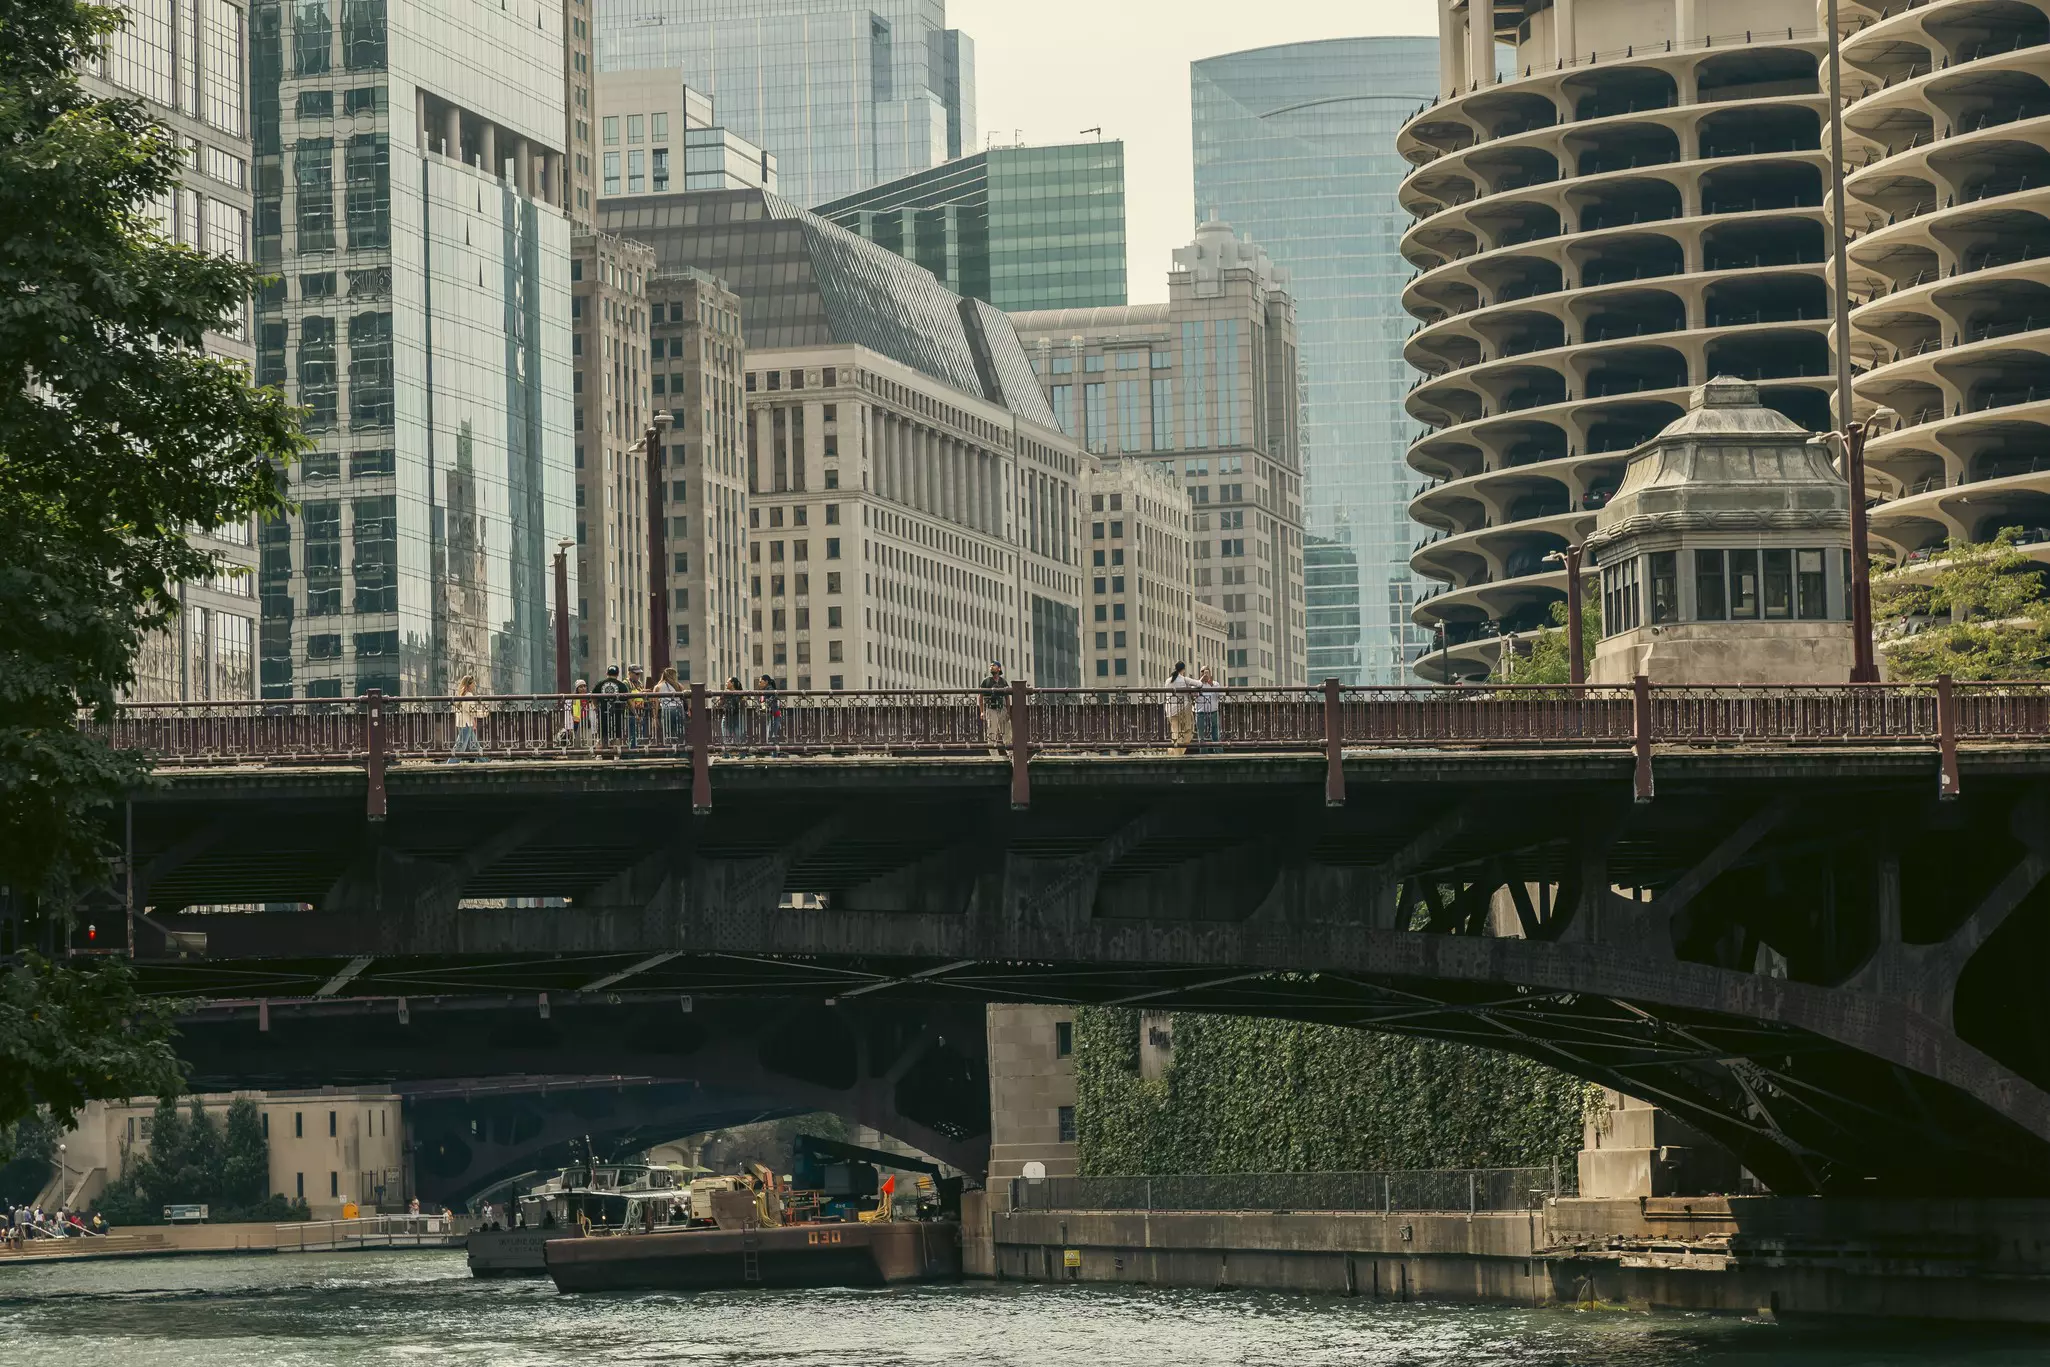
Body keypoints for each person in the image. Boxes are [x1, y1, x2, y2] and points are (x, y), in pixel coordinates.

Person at [978, 660, 1011, 754]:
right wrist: (982, 711)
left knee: (1007, 732)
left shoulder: (1003, 681)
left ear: (999, 668)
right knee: (992, 733)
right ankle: (994, 756)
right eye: (991, 665)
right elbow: (980, 696)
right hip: (991, 708)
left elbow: (1007, 697)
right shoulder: (986, 681)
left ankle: (1011, 754)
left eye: (994, 665)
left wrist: (1008, 711)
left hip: (1002, 708)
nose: (991, 667)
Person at [1164, 662, 1197, 754]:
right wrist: (1191, 689)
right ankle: (1179, 752)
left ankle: (1174, 752)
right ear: (1183, 669)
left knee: (1175, 733)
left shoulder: (1168, 681)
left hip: (1170, 710)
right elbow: (1199, 684)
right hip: (1183, 709)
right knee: (1189, 730)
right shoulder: (1184, 679)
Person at [594, 666, 630, 747]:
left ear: (606, 673)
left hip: (603, 712)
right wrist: (635, 713)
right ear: (617, 674)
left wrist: (596, 706)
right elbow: (628, 700)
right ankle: (615, 752)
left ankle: (604, 751)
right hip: (617, 713)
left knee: (603, 734)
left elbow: (593, 697)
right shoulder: (621, 685)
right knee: (617, 734)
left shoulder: (600, 684)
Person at [451, 674, 483, 759]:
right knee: (460, 748)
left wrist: (473, 721)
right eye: (473, 683)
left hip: (463, 723)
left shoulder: (462, 695)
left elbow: (467, 711)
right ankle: (451, 765)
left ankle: (484, 761)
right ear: (469, 685)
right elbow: (472, 711)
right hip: (466, 724)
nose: (474, 685)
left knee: (475, 747)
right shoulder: (468, 695)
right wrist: (484, 713)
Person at [655, 666, 685, 745]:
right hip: (678, 709)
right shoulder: (679, 686)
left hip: (666, 709)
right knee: (679, 730)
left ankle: (669, 748)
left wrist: (655, 717)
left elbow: (656, 703)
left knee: (667, 730)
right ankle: (680, 747)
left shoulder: (658, 686)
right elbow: (685, 698)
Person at [1193, 666, 1222, 750]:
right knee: (1201, 736)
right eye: (1202, 672)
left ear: (1210, 673)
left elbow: (1220, 695)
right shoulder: (1196, 684)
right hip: (1200, 712)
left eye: (1206, 672)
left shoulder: (1215, 684)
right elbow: (1193, 694)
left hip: (1213, 712)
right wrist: (1200, 682)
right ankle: (1203, 755)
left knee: (1215, 735)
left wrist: (1211, 684)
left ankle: (1218, 753)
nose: (1205, 674)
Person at [559, 678, 591, 747]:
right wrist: (568, 726)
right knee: (574, 739)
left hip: (586, 721)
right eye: (580, 687)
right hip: (575, 722)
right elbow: (568, 713)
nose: (583, 688)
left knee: (586, 739)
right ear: (577, 688)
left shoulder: (589, 697)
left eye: (584, 686)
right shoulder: (571, 698)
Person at [756, 673, 783, 749]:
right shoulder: (764, 690)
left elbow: (773, 697)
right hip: (770, 715)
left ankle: (774, 754)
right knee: (771, 736)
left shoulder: (769, 689)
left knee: (772, 736)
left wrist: (767, 703)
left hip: (773, 715)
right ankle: (773, 753)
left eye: (760, 682)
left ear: (766, 682)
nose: (759, 684)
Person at [625, 665, 649, 748]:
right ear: (630, 673)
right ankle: (631, 751)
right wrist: (635, 714)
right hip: (630, 712)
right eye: (636, 673)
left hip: (641, 711)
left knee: (640, 732)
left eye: (639, 674)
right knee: (631, 733)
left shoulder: (640, 683)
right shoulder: (626, 683)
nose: (638, 676)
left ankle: (640, 748)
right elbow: (628, 698)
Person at [719, 676, 746, 746]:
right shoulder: (725, 693)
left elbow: (743, 704)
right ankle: (728, 754)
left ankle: (739, 753)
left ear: (732, 683)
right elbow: (720, 704)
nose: (726, 684)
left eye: (727, 682)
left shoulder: (740, 693)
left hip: (734, 716)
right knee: (729, 737)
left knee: (736, 737)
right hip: (729, 716)